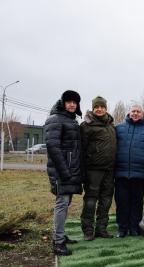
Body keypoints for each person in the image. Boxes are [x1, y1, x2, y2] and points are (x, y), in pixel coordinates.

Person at [114, 104, 144, 237]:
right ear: (129, 113)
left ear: (143, 114)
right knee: (122, 201)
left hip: (140, 174)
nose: (135, 113)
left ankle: (134, 227)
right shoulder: (118, 129)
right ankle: (122, 228)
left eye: (138, 111)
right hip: (121, 173)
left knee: (136, 202)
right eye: (133, 111)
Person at [45, 90, 83, 256]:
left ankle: (59, 235)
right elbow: (53, 148)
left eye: (75, 102)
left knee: (65, 205)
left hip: (71, 171)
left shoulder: (71, 120)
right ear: (63, 103)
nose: (72, 104)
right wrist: (64, 172)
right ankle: (58, 243)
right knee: (62, 204)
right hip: (63, 173)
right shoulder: (55, 119)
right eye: (69, 101)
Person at [80, 96, 117, 241]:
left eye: (102, 107)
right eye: (97, 107)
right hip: (93, 171)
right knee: (90, 201)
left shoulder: (111, 127)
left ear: (106, 109)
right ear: (93, 109)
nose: (100, 109)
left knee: (106, 201)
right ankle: (88, 230)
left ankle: (101, 229)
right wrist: (82, 171)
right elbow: (82, 150)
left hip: (109, 170)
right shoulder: (86, 126)